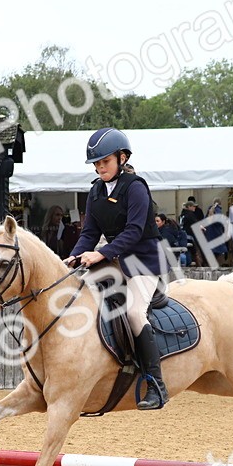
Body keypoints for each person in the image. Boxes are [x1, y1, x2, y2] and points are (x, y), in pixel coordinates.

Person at [66, 127, 168, 410]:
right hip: (115, 260)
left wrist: (100, 254)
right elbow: (88, 233)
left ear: (122, 158)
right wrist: (72, 257)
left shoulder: (136, 187)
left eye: (105, 162)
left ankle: (156, 384)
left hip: (143, 262)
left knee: (135, 313)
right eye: (97, 164)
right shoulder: (96, 192)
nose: (100, 168)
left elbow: (134, 231)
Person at [179, 196, 205, 266]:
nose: (195, 208)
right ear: (189, 207)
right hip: (190, 236)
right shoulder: (190, 214)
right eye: (193, 206)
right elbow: (196, 224)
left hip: (183, 236)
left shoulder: (182, 214)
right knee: (196, 252)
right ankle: (199, 267)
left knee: (187, 251)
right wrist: (202, 228)